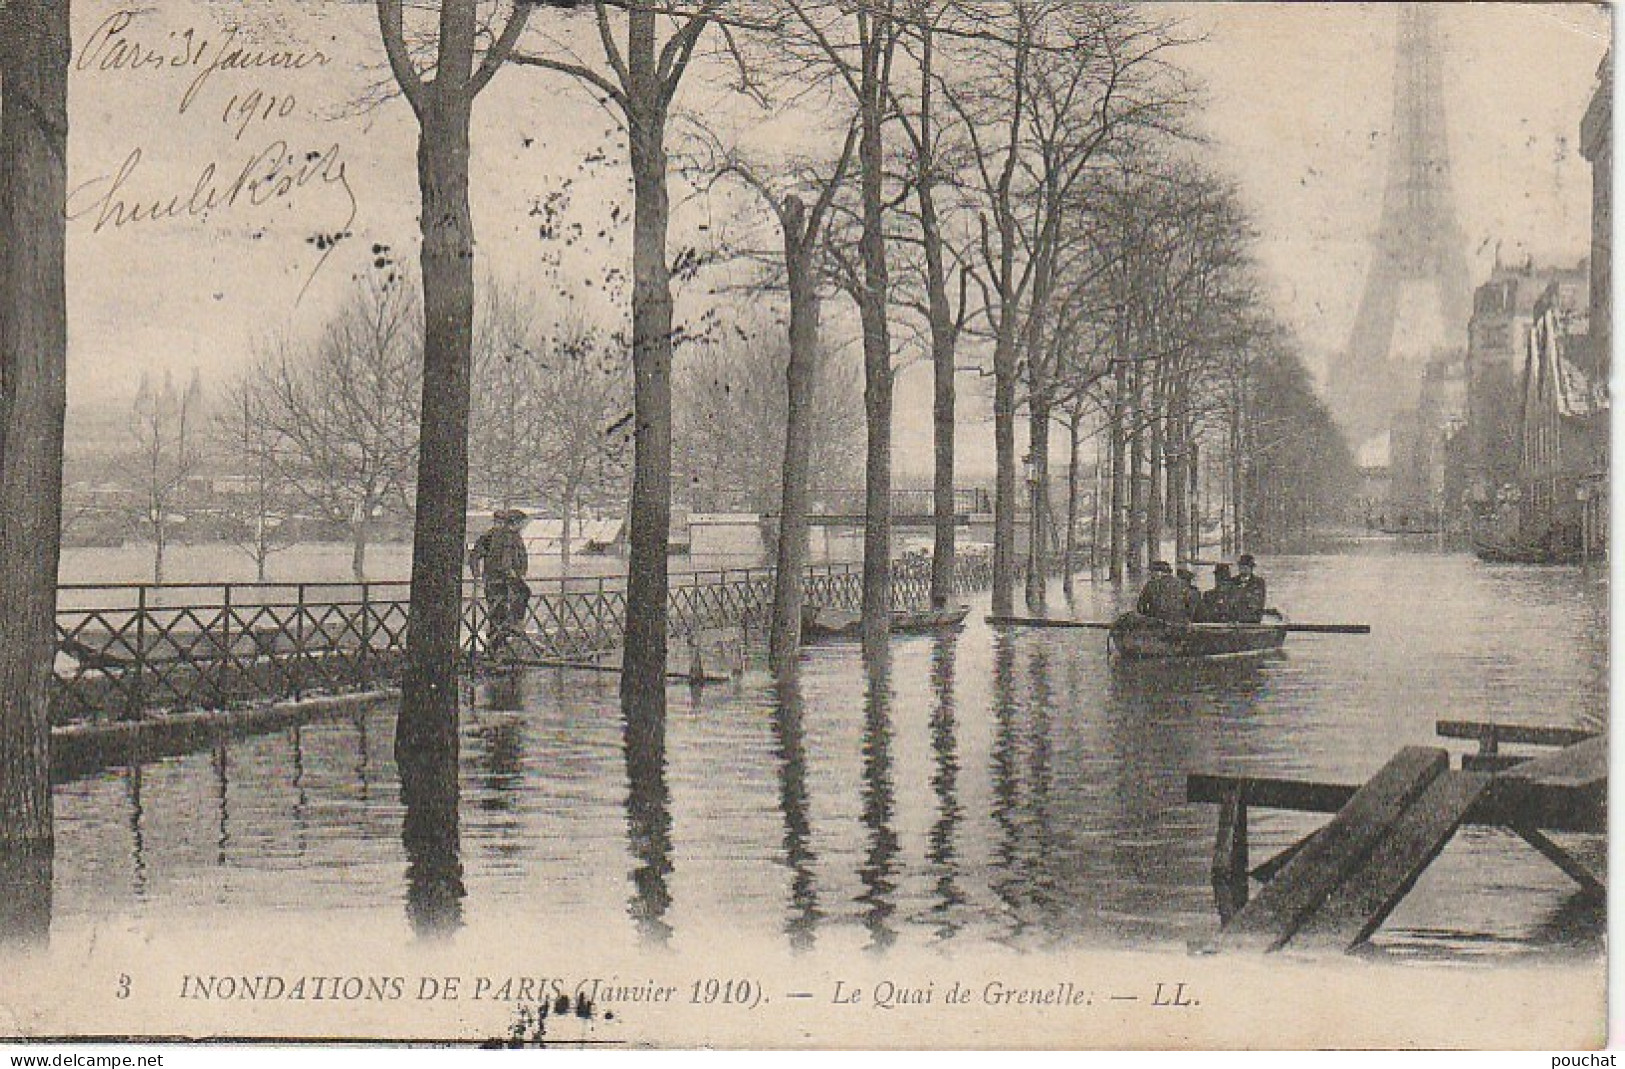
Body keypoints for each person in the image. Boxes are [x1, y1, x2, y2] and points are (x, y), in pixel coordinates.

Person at [468, 509, 531, 651]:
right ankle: (496, 646)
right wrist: (477, 576)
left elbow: (519, 557)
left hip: (507, 580)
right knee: (498, 611)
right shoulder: (493, 536)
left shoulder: (514, 536)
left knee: (514, 600)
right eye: (521, 524)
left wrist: (520, 572)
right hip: (496, 580)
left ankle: (507, 635)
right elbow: (475, 556)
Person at [1232, 553, 1267, 624]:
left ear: (1251, 568)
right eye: (1241, 567)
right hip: (1235, 618)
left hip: (1252, 618)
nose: (1243, 569)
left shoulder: (1259, 582)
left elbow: (1259, 602)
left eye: (1246, 567)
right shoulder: (1233, 581)